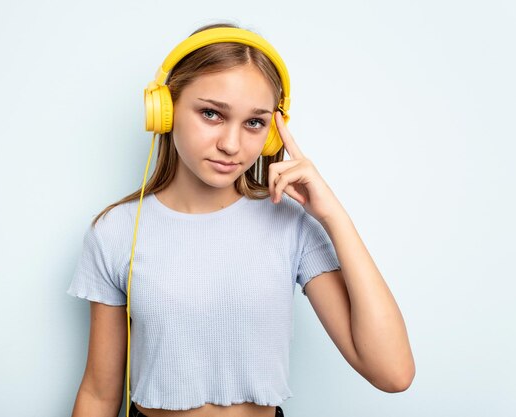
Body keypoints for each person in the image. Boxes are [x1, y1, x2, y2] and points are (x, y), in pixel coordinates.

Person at [66, 22, 415, 417]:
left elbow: (393, 372)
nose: (232, 145)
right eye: (211, 113)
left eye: (254, 123)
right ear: (164, 110)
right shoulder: (115, 231)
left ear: (271, 133)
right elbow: (98, 393)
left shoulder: (291, 225)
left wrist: (333, 214)